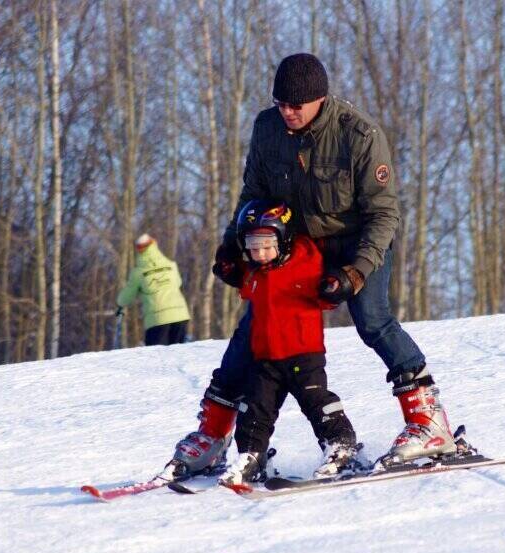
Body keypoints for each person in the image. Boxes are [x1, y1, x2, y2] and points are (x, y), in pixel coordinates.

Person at [161, 53, 465, 481]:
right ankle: (212, 434)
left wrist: (356, 272)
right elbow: (253, 193)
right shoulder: (267, 129)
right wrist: (233, 247)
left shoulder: (358, 134)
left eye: (295, 105)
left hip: (359, 242)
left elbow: (384, 215)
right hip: (299, 249)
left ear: (319, 99)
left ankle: (429, 422)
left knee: (373, 319)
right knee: (255, 329)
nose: (287, 112)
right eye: (281, 103)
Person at [215, 200, 360, 486]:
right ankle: (251, 456)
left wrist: (333, 286)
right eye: (252, 245)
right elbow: (242, 281)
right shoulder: (255, 271)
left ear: (284, 238)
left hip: (303, 355)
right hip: (266, 358)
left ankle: (340, 446)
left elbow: (326, 293)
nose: (259, 252)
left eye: (266, 243)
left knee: (316, 402)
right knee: (255, 410)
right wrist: (229, 268)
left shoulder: (307, 260)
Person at [116, 233, 191, 346]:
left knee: (156, 358)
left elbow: (126, 297)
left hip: (157, 319)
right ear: (154, 245)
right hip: (180, 315)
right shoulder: (171, 265)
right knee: (178, 356)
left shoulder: (138, 272)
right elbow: (178, 283)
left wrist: (120, 304)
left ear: (139, 250)